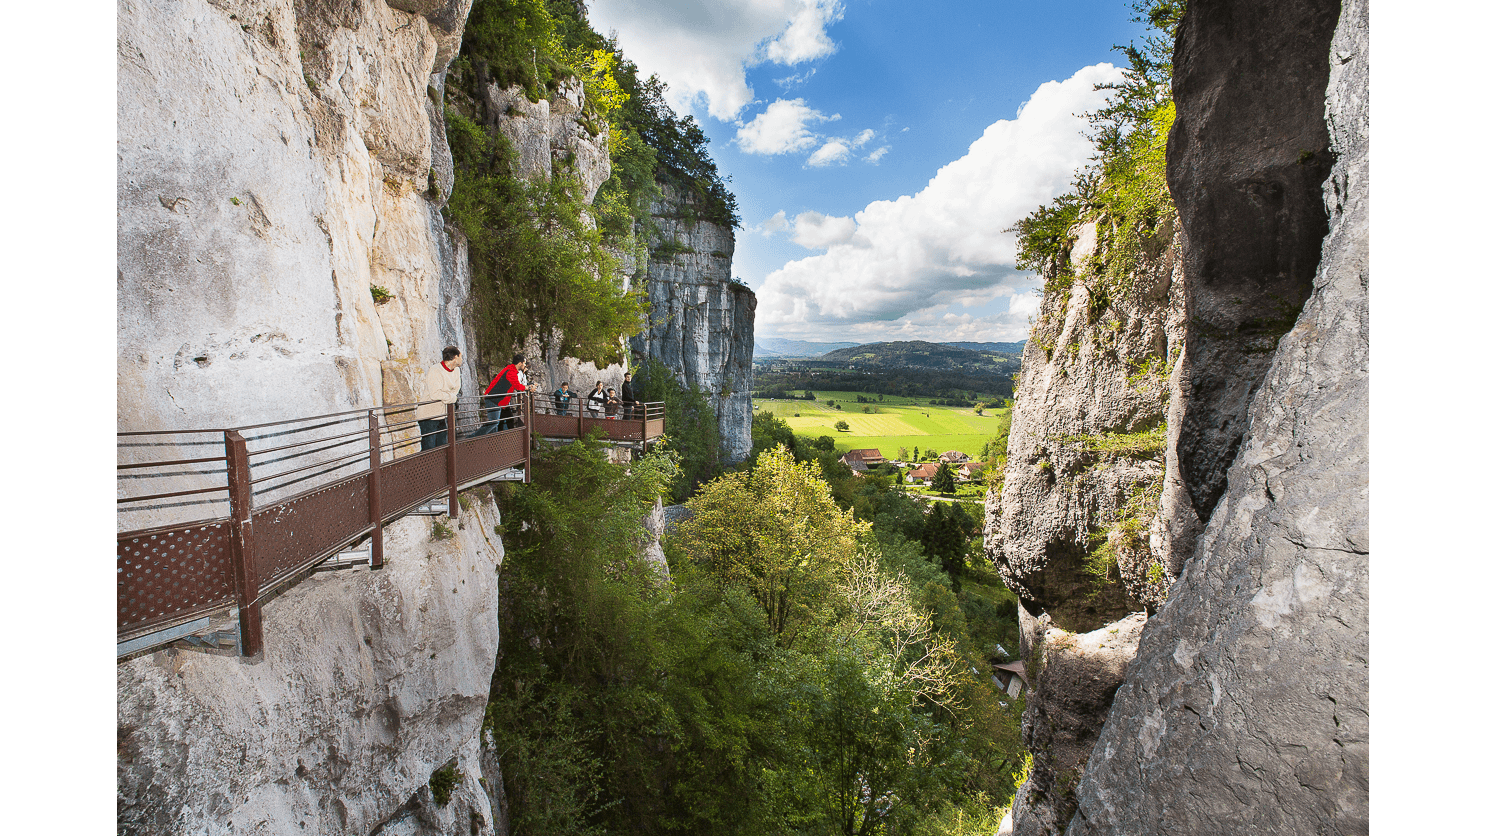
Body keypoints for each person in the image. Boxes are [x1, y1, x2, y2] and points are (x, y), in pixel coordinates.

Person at [415, 346, 462, 451]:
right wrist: (451, 397)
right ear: (455, 357)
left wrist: (447, 395)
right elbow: (435, 395)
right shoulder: (435, 370)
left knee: (442, 447)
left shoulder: (456, 370)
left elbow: (456, 390)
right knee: (429, 449)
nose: (461, 359)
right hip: (428, 416)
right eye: (460, 356)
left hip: (442, 415)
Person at [479, 353, 528, 435]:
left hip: (501, 401)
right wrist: (528, 388)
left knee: (501, 422)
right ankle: (474, 438)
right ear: (520, 363)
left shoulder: (510, 369)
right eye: (524, 363)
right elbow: (518, 386)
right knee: (494, 423)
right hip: (495, 400)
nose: (525, 365)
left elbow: (496, 382)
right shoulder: (511, 372)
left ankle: (498, 439)